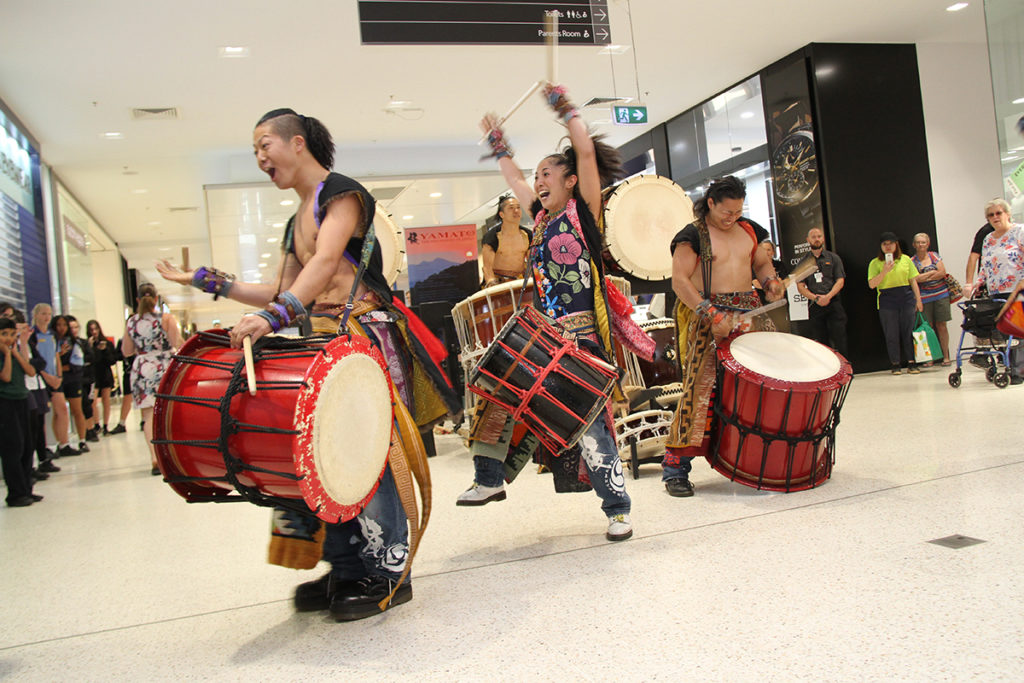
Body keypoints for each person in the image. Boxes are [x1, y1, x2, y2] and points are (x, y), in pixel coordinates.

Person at [157, 108, 460, 622]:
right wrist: (205, 281)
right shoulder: (293, 219)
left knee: (369, 456)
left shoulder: (341, 193)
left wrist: (273, 317)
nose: (259, 158)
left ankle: (387, 572)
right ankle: (345, 565)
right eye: (255, 149)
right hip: (324, 343)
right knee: (322, 459)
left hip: (364, 337)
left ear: (298, 143)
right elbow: (281, 290)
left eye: (264, 145)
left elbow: (322, 267)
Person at [457, 82, 639, 542]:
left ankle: (617, 510)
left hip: (581, 340)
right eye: (536, 176)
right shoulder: (540, 220)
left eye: (547, 174)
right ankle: (489, 478)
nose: (537, 182)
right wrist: (499, 144)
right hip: (543, 335)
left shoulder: (583, 212)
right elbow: (513, 180)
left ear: (571, 180)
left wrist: (566, 109)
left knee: (590, 425)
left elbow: (584, 150)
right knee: (498, 391)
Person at [660, 176, 785, 498]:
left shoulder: (750, 230)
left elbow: (761, 265)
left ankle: (756, 460)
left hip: (748, 311)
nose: (732, 218)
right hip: (707, 313)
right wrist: (711, 314)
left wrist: (771, 282)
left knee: (764, 383)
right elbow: (680, 281)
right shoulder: (692, 236)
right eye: (726, 212)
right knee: (700, 391)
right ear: (711, 203)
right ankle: (675, 470)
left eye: (738, 212)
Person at [121, 283, 184, 474]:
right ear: (156, 299)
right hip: (163, 365)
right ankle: (171, 456)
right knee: (168, 411)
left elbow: (126, 350)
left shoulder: (131, 322)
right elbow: (177, 343)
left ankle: (155, 458)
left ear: (138, 300)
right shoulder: (165, 319)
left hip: (142, 367)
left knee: (149, 415)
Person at [971, 198, 1024, 382]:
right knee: (1003, 333)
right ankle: (1010, 367)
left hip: (1017, 289)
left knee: (1017, 331)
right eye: (991, 215)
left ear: (1008, 214)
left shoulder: (1019, 231)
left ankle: (1018, 372)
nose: (995, 217)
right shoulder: (988, 239)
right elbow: (984, 265)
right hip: (995, 291)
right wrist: (978, 282)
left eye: (998, 213)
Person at [868, 232, 923, 375]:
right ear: (881, 246)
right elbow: (872, 284)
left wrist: (918, 300)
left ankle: (912, 362)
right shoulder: (875, 263)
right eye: (884, 244)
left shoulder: (905, 259)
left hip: (906, 297)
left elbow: (913, 281)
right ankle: (895, 364)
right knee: (891, 333)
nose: (888, 246)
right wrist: (884, 271)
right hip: (887, 299)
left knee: (908, 331)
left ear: (896, 244)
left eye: (890, 243)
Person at [0, 316, 42, 507]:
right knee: (13, 448)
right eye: (3, 335)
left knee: (27, 446)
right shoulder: (3, 355)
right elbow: (6, 377)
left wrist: (16, 353)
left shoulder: (14, 351)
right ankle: (15, 493)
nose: (8, 338)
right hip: (5, 403)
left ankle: (26, 489)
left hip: (22, 400)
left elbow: (31, 372)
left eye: (11, 334)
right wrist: (7, 355)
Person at [796, 227, 848, 357]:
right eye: (813, 237)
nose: (817, 239)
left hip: (833, 303)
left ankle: (845, 371)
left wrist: (828, 296)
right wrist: (816, 298)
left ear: (823, 238)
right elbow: (800, 286)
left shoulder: (834, 258)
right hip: (815, 305)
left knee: (840, 338)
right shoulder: (803, 263)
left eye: (819, 236)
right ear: (808, 240)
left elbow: (840, 281)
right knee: (821, 342)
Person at [26, 305, 60, 475]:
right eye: (43, 314)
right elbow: (35, 363)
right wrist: (47, 377)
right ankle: (35, 461)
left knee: (48, 417)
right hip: (39, 379)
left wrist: (58, 377)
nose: (47, 317)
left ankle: (44, 456)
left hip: (52, 379)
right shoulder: (32, 336)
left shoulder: (52, 335)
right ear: (35, 315)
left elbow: (55, 356)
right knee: (35, 423)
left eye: (49, 314)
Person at [910, 233, 952, 366]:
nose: (920, 245)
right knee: (927, 327)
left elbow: (942, 273)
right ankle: (930, 358)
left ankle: (946, 356)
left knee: (942, 326)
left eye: (923, 242)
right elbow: (913, 279)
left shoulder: (934, 256)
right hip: (924, 298)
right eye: (918, 242)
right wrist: (932, 274)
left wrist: (924, 276)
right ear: (914, 245)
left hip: (941, 295)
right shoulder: (912, 261)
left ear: (928, 244)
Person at [52, 315, 90, 454]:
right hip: (57, 381)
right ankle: (61, 442)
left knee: (77, 410)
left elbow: (77, 365)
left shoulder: (74, 343)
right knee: (59, 412)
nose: (61, 328)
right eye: (58, 325)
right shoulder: (52, 341)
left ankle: (82, 440)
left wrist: (60, 366)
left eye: (64, 325)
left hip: (73, 380)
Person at [480, 194, 531, 287]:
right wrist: (492, 285)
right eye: (511, 208)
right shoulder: (491, 237)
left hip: (520, 281)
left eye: (518, 207)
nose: (516, 211)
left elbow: (531, 264)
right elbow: (487, 269)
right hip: (497, 283)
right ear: (502, 214)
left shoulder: (528, 235)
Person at [66, 316, 99, 442]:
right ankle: (85, 431)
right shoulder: (67, 343)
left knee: (89, 404)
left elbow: (90, 357)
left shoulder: (83, 343)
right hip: (75, 379)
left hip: (88, 378)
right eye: (71, 328)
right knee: (81, 406)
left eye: (76, 327)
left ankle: (90, 429)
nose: (74, 330)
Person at [86, 319, 117, 434]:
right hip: (93, 375)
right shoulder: (88, 344)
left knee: (106, 400)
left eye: (96, 329)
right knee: (93, 401)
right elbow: (89, 360)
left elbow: (112, 360)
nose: (94, 332)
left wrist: (105, 350)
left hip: (105, 374)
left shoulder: (107, 343)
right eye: (91, 329)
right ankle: (96, 424)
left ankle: (105, 425)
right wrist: (90, 346)